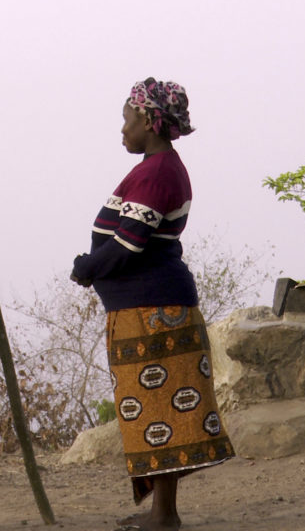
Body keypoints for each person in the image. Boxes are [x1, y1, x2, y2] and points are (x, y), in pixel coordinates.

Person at [70, 78, 234, 531]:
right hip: (149, 308)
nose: (122, 129)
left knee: (160, 410)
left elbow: (129, 243)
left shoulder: (158, 172)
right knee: (157, 410)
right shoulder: (157, 168)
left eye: (127, 120)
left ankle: (164, 516)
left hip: (153, 312)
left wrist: (87, 267)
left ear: (147, 120)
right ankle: (163, 512)